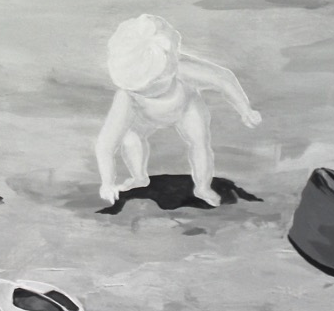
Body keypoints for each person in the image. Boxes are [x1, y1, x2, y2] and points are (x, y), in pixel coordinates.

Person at [95, 14, 261, 208]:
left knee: (199, 142)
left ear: (170, 68)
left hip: (185, 107)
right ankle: (139, 177)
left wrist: (245, 109)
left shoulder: (180, 68)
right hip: (143, 116)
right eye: (139, 87)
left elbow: (223, 79)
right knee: (130, 138)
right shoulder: (127, 95)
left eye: (153, 83)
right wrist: (107, 183)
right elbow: (105, 144)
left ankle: (202, 187)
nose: (147, 90)